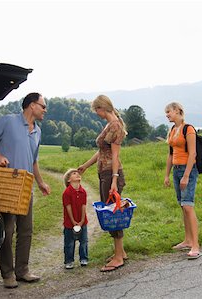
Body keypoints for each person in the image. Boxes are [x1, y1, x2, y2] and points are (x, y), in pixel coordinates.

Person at [0, 92, 51, 288]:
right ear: (32, 105)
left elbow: (33, 161)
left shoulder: (38, 131)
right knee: (7, 232)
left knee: (26, 231)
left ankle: (22, 270)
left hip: (26, 188)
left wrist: (40, 182)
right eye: (43, 106)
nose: (45, 110)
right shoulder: (9, 121)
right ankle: (7, 274)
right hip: (7, 186)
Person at [78, 95, 128, 272]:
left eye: (96, 110)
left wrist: (114, 180)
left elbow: (115, 156)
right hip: (105, 173)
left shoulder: (115, 125)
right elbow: (102, 152)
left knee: (113, 214)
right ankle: (120, 252)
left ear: (102, 108)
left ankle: (118, 257)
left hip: (110, 175)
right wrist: (85, 165)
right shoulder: (110, 124)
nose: (96, 113)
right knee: (111, 211)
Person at [163, 102, 201, 259]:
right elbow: (171, 155)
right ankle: (187, 240)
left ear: (178, 111)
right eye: (166, 112)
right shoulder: (173, 130)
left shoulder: (188, 129)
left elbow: (192, 154)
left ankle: (195, 246)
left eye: (169, 111)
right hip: (177, 170)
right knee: (182, 206)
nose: (167, 114)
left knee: (188, 206)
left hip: (188, 170)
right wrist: (167, 175)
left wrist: (186, 176)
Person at [62, 168, 89, 270]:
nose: (77, 174)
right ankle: (69, 261)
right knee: (69, 243)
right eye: (74, 173)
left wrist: (82, 221)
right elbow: (68, 207)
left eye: (78, 173)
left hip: (82, 221)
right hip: (69, 223)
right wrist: (73, 221)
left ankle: (84, 258)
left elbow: (83, 206)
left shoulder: (83, 191)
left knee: (84, 241)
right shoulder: (67, 193)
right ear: (69, 180)